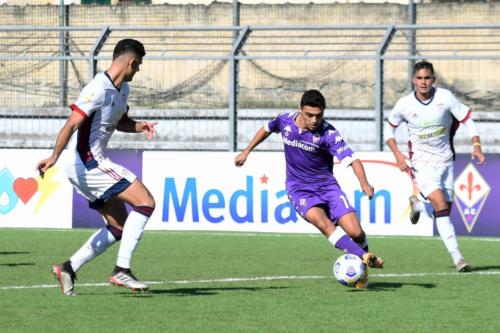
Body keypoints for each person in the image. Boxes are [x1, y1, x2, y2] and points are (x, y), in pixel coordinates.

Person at [37, 39, 157, 295]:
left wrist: (138, 126)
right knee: (146, 202)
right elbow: (71, 125)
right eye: (138, 66)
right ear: (131, 62)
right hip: (88, 162)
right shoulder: (98, 88)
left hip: (89, 163)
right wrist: (53, 157)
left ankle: (68, 268)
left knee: (119, 226)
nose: (138, 71)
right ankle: (121, 270)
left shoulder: (121, 90)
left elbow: (118, 121)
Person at [235, 89, 384, 289]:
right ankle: (364, 259)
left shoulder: (328, 133)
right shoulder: (284, 120)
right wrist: (247, 151)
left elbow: (353, 160)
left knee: (356, 233)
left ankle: (363, 258)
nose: (315, 120)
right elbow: (266, 128)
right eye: (310, 115)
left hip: (328, 187)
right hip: (299, 190)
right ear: (300, 110)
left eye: (319, 115)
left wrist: (364, 183)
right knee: (323, 224)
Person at [386, 60, 486, 273]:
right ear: (413, 80)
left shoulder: (445, 98)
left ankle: (419, 206)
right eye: (419, 78)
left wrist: (476, 145)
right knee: (441, 207)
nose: (423, 82)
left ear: (434, 79)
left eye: (427, 78)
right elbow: (389, 130)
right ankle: (459, 258)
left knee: (444, 211)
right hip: (421, 165)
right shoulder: (404, 105)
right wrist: (397, 155)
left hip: (446, 162)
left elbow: (468, 119)